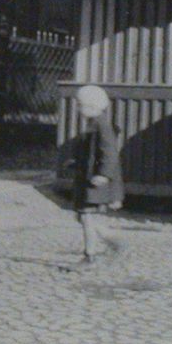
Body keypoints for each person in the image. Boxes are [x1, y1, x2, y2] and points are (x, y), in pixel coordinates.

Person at [70, 84, 124, 264]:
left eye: (80, 105)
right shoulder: (94, 123)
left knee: (85, 216)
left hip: (96, 179)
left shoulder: (102, 125)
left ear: (92, 105)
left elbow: (109, 153)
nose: (78, 108)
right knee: (82, 216)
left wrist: (104, 174)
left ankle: (89, 255)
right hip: (89, 177)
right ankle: (113, 241)